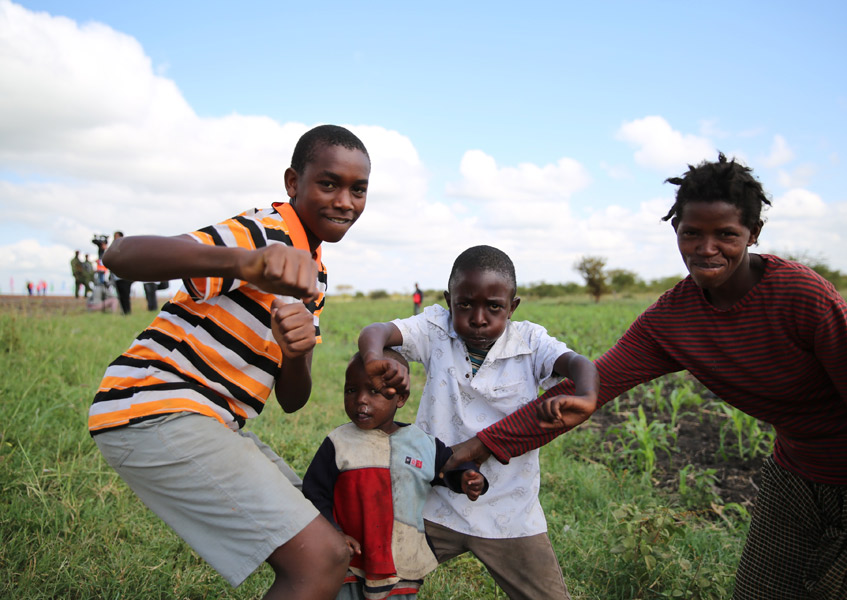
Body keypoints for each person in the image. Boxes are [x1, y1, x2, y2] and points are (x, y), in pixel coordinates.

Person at [451, 154, 847, 599]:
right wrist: (476, 448)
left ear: (754, 234)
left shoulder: (801, 296)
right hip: (796, 470)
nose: (706, 249)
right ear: (675, 231)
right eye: (692, 233)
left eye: (726, 234)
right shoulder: (674, 319)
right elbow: (592, 387)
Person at [88, 124, 372, 599]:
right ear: (292, 183)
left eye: (358, 190)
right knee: (320, 558)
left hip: (218, 423)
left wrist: (296, 352)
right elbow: (123, 255)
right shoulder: (267, 231)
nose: (345, 201)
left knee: (335, 546)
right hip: (156, 408)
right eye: (329, 184)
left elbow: (292, 399)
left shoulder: (314, 270)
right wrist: (245, 264)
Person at [358, 245, 599, 600]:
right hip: (432, 500)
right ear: (449, 300)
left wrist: (587, 394)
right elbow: (376, 331)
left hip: (510, 510)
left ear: (513, 306)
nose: (479, 318)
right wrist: (374, 356)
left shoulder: (530, 342)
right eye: (465, 305)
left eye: (494, 307)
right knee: (377, 584)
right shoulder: (436, 329)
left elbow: (580, 364)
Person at [302, 349, 488, 600]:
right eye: (351, 390)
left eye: (374, 392)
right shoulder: (338, 442)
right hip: (349, 557)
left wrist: (468, 478)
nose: (360, 400)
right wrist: (334, 532)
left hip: (401, 556)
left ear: (400, 398)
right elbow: (315, 492)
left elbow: (450, 468)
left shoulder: (422, 444)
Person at [110, 231, 134, 315]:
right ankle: (124, 312)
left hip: (125, 277)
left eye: (116, 236)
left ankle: (127, 312)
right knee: (121, 296)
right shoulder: (113, 248)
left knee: (125, 296)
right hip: (117, 277)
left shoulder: (125, 248)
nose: (115, 238)